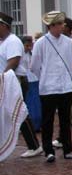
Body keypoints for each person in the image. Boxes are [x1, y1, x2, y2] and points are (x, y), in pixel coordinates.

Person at [30, 11, 72, 162]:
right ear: (51, 26)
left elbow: (70, 61)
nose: (62, 27)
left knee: (65, 120)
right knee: (48, 121)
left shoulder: (68, 42)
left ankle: (68, 149)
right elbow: (34, 66)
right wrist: (45, 77)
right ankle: (48, 151)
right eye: (59, 24)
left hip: (65, 86)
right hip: (48, 88)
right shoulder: (41, 43)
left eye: (62, 24)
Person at [0, 13, 41, 157]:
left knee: (18, 111)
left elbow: (14, 61)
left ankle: (34, 146)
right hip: (7, 81)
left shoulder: (12, 41)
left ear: (4, 26)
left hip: (14, 81)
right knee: (13, 112)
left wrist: (2, 77)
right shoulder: (3, 42)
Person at [21, 36, 42, 133]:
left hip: (35, 80)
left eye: (30, 45)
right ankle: (31, 125)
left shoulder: (32, 53)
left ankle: (36, 124)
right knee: (29, 104)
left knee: (36, 104)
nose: (29, 47)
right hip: (27, 80)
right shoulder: (20, 54)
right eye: (27, 45)